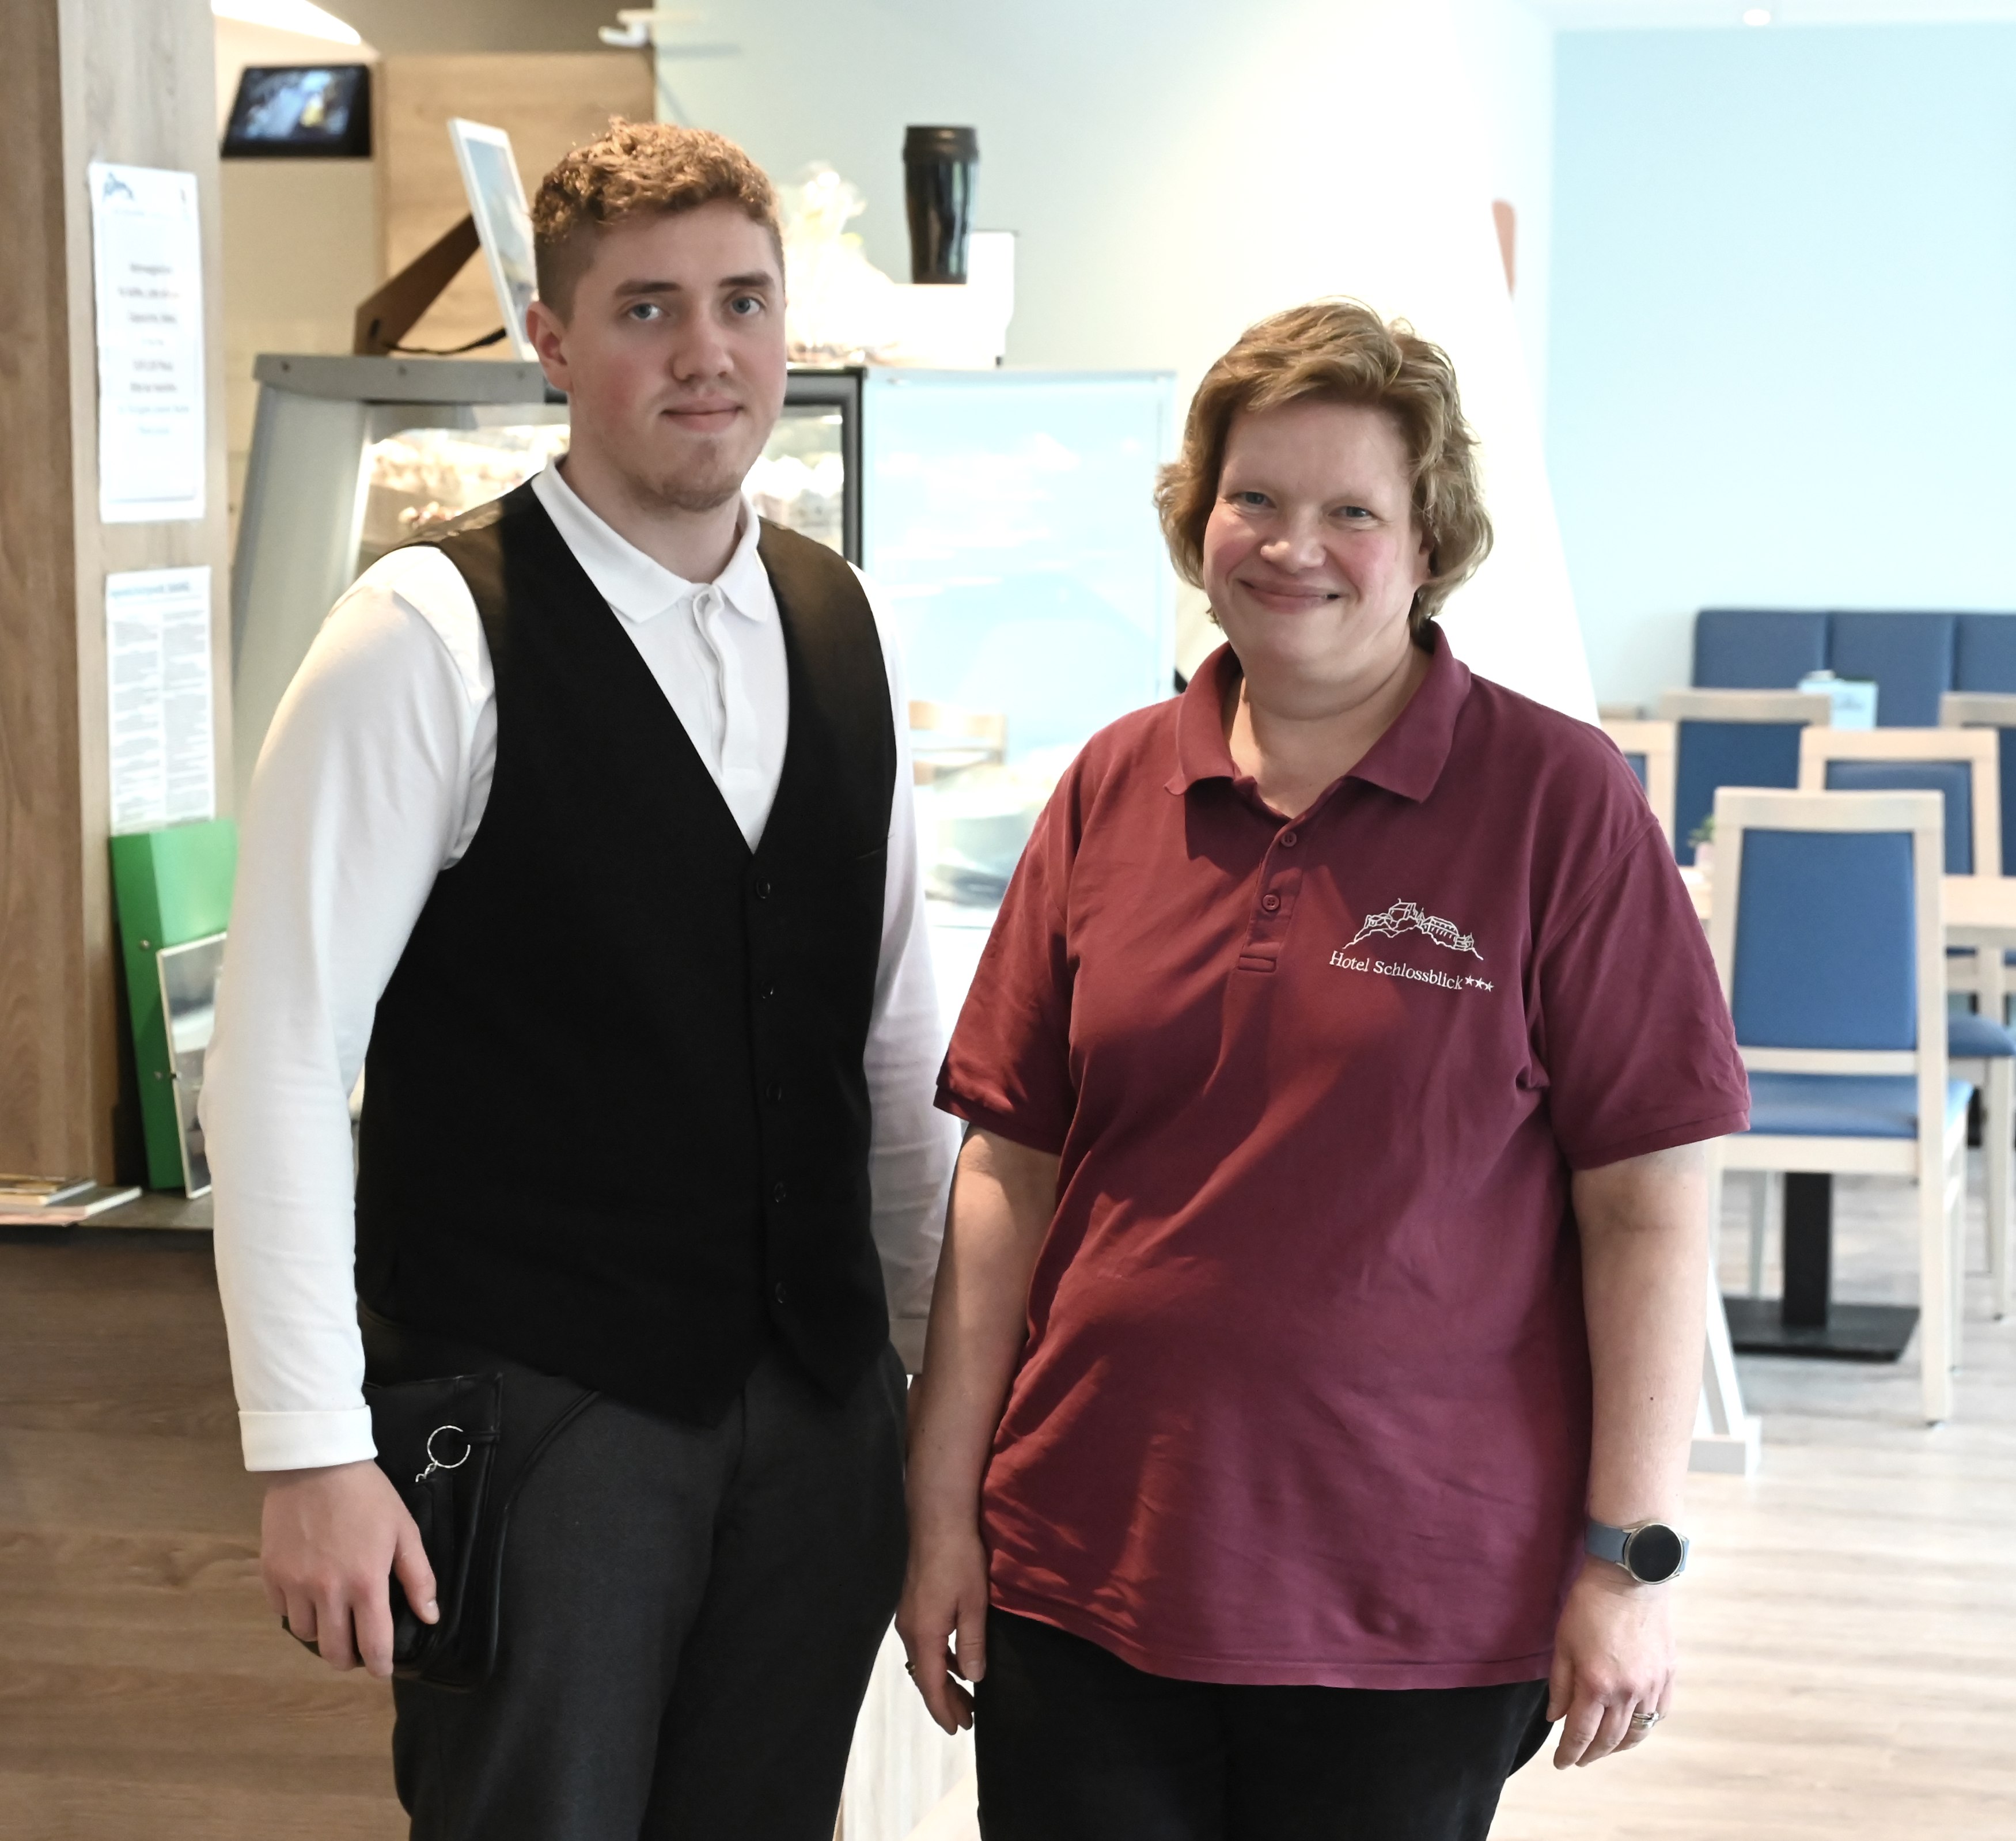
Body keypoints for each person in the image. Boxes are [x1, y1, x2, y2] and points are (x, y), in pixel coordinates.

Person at [896, 300, 1749, 1839]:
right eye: (1256, 499)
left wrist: (1629, 1559)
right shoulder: (1109, 784)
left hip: (1411, 1592)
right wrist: (940, 1509)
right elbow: (1007, 1173)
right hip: (1085, 1557)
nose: (1295, 546)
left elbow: (1646, 1208)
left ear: (1428, 542)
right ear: (1199, 521)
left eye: (1351, 510)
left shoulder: (1555, 801)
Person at [203, 121, 956, 1840]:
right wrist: (309, 1446)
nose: (708, 354)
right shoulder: (428, 632)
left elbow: (894, 1043)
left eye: (743, 302)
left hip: (819, 1407)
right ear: (550, 340)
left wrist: (932, 1394)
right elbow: (278, 1058)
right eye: (646, 309)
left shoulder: (846, 620)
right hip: (545, 1410)